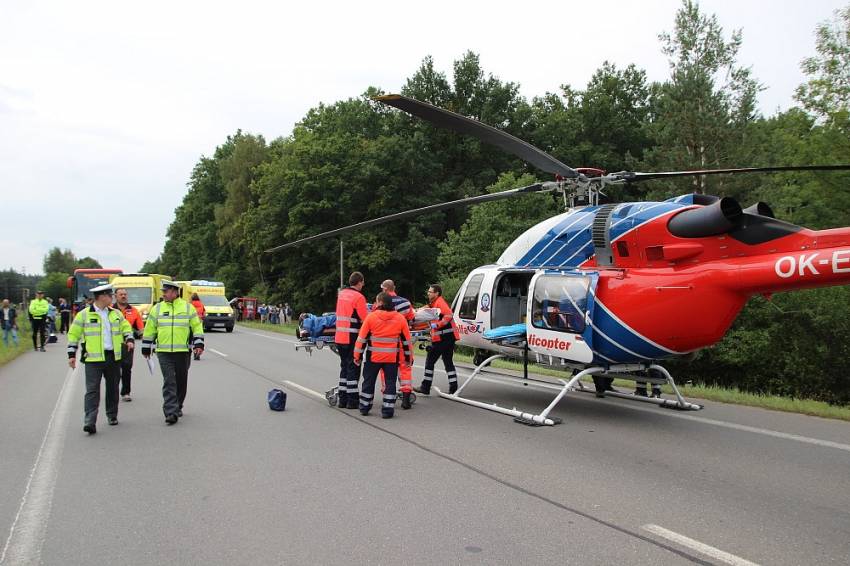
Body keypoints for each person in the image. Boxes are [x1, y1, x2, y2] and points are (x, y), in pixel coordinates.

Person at [67, 284, 134, 434]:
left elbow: (126, 328)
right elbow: (73, 335)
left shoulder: (115, 313)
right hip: (93, 359)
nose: (112, 298)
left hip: (113, 357)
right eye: (110, 295)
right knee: (92, 391)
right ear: (102, 297)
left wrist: (129, 339)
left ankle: (112, 415)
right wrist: (71, 355)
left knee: (112, 388)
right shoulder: (84, 315)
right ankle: (90, 420)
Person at [141, 280, 204, 425]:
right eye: (163, 291)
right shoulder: (157, 309)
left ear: (175, 292)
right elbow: (150, 329)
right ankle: (170, 411)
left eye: (166, 291)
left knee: (181, 381)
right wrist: (146, 346)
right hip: (164, 352)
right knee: (169, 381)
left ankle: (178, 405)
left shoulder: (188, 308)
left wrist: (199, 343)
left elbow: (196, 327)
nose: (163, 294)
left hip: (182, 352)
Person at [354, 292, 414, 419]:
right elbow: (406, 343)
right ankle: (387, 410)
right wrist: (408, 358)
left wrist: (357, 357)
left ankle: (364, 407)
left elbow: (361, 340)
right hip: (391, 359)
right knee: (390, 383)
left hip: (373, 358)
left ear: (380, 302)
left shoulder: (371, 317)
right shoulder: (400, 318)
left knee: (368, 383)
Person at [375, 280, 416, 409]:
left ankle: (388, 396)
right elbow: (412, 318)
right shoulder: (405, 302)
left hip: (387, 341)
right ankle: (406, 398)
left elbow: (375, 317)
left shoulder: (380, 302)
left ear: (385, 289)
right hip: (402, 340)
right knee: (405, 368)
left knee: (385, 369)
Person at [414, 284, 460, 395]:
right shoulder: (434, 304)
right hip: (448, 337)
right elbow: (426, 310)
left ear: (437, 293)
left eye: (430, 292)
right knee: (448, 362)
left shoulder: (440, 303)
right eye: (428, 291)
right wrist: (416, 311)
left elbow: (448, 315)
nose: (428, 293)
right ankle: (453, 387)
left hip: (444, 337)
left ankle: (425, 387)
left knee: (430, 360)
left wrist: (437, 325)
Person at [334, 271, 369, 409]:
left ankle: (342, 399)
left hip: (339, 337)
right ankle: (352, 401)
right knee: (353, 367)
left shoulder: (341, 294)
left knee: (344, 367)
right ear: (359, 282)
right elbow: (365, 318)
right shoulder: (359, 297)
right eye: (363, 282)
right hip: (352, 337)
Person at [114, 288, 145, 401]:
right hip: (112, 344)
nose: (123, 296)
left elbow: (140, 328)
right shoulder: (110, 309)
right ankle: (113, 390)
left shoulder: (133, 311)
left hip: (128, 344)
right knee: (113, 369)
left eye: (125, 294)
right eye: (121, 294)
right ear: (115, 296)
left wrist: (146, 341)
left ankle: (126, 392)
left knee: (127, 368)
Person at [190, 292, 205, 360]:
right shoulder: (201, 304)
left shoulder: (190, 304)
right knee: (199, 338)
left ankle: (193, 350)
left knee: (192, 338)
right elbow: (204, 313)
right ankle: (197, 351)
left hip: (192, 322)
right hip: (199, 322)